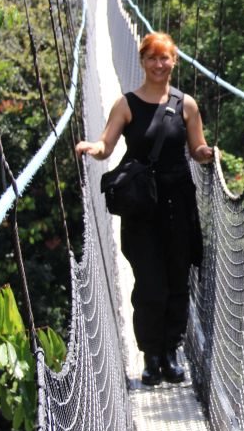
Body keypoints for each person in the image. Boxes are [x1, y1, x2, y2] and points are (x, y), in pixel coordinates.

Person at [75, 32, 214, 386]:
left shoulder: (187, 105)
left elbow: (197, 147)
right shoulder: (126, 104)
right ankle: (151, 356)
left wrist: (208, 154)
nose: (159, 64)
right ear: (142, 61)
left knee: (177, 282)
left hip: (179, 203)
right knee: (150, 284)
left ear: (173, 62)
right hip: (142, 207)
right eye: (152, 58)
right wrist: (94, 147)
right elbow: (107, 146)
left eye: (164, 58)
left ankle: (171, 352)